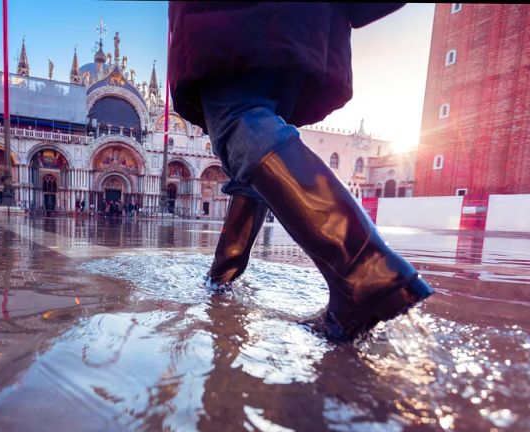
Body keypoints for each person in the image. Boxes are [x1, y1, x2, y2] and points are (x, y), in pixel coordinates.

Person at [168, 2, 433, 341]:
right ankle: (222, 275)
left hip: (235, 16)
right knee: (254, 142)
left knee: (238, 120)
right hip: (306, 21)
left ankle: (365, 271)